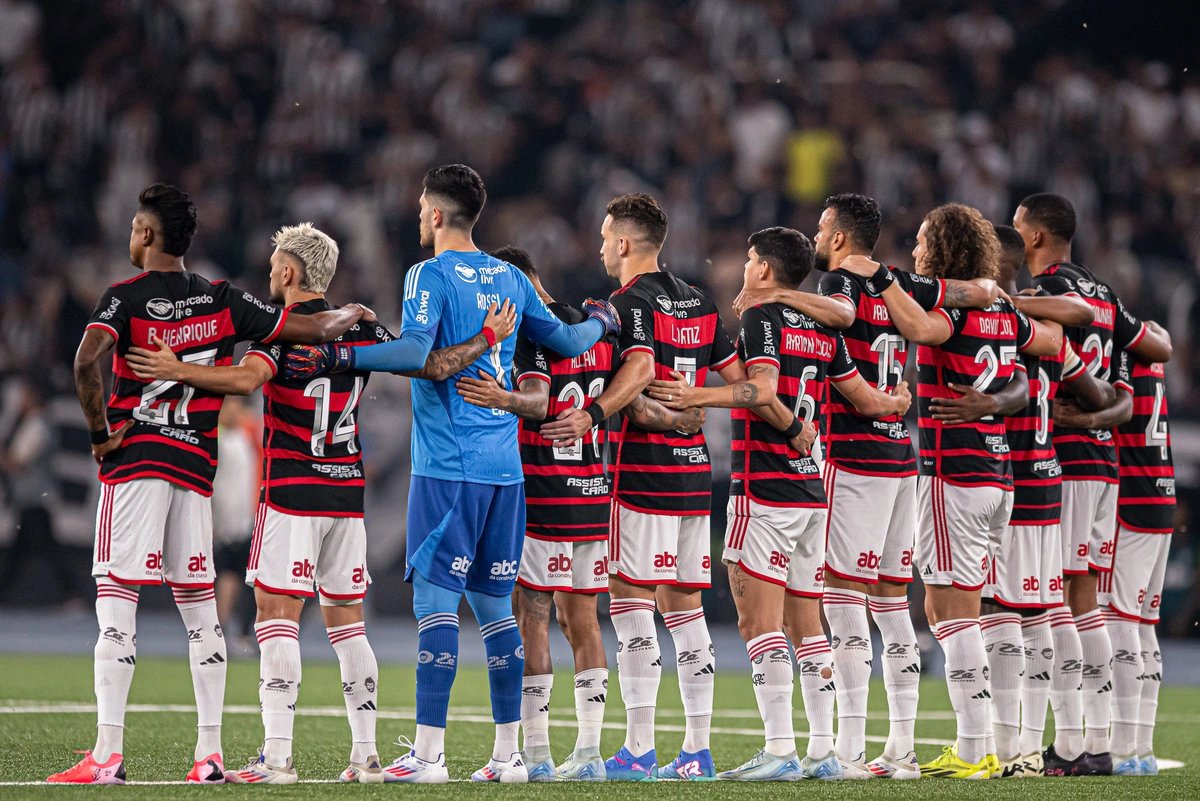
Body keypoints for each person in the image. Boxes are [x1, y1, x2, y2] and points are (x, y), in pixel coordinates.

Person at [123, 222, 512, 784]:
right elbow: (431, 365)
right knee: (348, 625)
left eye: (275, 264)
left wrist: (177, 369)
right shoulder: (366, 334)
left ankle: (277, 758)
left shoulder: (282, 335)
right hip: (345, 493)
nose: (270, 272)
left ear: (288, 272)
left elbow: (241, 381)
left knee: (276, 619)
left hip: (292, 493)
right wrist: (484, 340)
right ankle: (367, 756)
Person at [282, 165, 617, 785]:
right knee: (496, 609)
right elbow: (570, 342)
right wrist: (605, 320)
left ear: (436, 214)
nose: (415, 217)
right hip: (505, 474)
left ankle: (430, 754)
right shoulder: (512, 277)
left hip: (448, 469)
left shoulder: (428, 275)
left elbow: (414, 355)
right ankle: (509, 756)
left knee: (435, 606)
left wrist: (337, 353)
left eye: (419, 208)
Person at [50, 184, 371, 785]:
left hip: (137, 461)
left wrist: (100, 432)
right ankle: (210, 754)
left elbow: (84, 360)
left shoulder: (125, 298)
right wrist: (353, 313)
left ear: (146, 235)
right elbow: (318, 327)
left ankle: (107, 756)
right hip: (195, 470)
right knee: (203, 619)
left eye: (133, 226)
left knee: (117, 609)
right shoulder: (224, 299)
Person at [539, 194, 806, 782]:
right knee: (685, 612)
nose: (604, 245)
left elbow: (636, 370)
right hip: (691, 474)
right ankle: (697, 750)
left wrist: (595, 413)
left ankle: (636, 749)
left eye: (609, 235)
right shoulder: (701, 301)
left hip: (643, 475)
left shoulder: (628, 302)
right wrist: (794, 426)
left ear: (628, 243)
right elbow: (742, 383)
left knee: (632, 606)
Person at [732, 193, 998, 779]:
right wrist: (983, 291)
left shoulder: (833, 287)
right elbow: (968, 293)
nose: (819, 236)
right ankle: (899, 749)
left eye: (824, 228)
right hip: (901, 454)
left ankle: (848, 751)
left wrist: (772, 295)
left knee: (844, 602)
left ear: (840, 237)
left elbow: (845, 318)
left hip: (853, 460)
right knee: (892, 604)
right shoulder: (899, 281)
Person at [649, 227, 910, 780]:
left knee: (757, 624)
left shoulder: (763, 318)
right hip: (813, 491)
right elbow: (861, 396)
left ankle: (779, 749)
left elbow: (761, 389)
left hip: (764, 488)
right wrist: (896, 401)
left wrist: (699, 395)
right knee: (806, 625)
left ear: (765, 270)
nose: (743, 266)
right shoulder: (821, 325)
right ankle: (821, 752)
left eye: (748, 258)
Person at [455, 245, 703, 782]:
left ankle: (538, 755)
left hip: (545, 499)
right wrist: (681, 421)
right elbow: (634, 405)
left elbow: (539, 400)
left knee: (534, 618)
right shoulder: (591, 326)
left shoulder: (527, 334)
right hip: (595, 498)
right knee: (585, 621)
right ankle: (589, 752)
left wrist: (495, 396)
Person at [837, 203, 1063, 779]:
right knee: (972, 606)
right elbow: (1054, 341)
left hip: (953, 472)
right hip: (1000, 477)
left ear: (940, 250)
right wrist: (1001, 394)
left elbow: (918, 328)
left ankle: (973, 747)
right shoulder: (1005, 314)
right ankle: (984, 743)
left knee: (947, 609)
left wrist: (884, 280)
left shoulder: (956, 313)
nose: (914, 252)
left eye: (920, 244)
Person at [1013, 192, 1171, 774]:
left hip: (1069, 462)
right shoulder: (1105, 293)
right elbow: (1148, 356)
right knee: (1088, 603)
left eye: (1017, 229)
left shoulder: (1046, 293)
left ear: (1032, 236)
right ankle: (1096, 743)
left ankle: (1075, 744)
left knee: (1059, 602)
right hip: (1105, 464)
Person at [975, 225, 1114, 777]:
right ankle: (1066, 742)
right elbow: (1103, 394)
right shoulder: (1047, 330)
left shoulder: (997, 322)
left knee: (1000, 611)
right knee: (1049, 610)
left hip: (1006, 478)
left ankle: (1012, 748)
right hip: (1050, 477)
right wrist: (1073, 415)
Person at [1060, 349, 1172, 776]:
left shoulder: (1121, 360)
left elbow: (1114, 409)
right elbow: (1160, 340)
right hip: (1161, 493)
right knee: (1143, 625)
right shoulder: (1151, 356)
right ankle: (1140, 747)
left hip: (1132, 498)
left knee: (1118, 619)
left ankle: (1121, 748)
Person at [209, 395, 259, 651]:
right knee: (229, 574)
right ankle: (219, 630)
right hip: (227, 519)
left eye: (238, 404)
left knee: (244, 577)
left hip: (249, 517)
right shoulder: (213, 436)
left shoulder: (246, 433)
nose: (236, 409)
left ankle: (237, 630)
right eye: (229, 404)